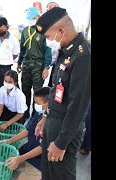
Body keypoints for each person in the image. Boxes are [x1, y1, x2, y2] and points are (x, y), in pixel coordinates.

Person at [34, 7, 91, 180]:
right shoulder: (65, 51)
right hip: (53, 122)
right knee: (48, 173)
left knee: (61, 175)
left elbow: (78, 107)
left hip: (65, 130)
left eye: (48, 37)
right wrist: (45, 116)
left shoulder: (83, 56)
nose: (48, 41)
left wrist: (61, 143)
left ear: (60, 31)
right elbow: (55, 89)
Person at [0, 87, 50, 180]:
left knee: (21, 176)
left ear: (48, 104)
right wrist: (9, 141)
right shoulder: (39, 113)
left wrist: (19, 159)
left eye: (38, 103)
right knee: (4, 163)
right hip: (29, 149)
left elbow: (44, 147)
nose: (35, 105)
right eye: (35, 103)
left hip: (42, 159)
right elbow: (28, 130)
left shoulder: (54, 122)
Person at [17, 7, 52, 120]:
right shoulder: (25, 31)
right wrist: (19, 63)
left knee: (37, 91)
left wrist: (46, 67)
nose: (31, 20)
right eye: (29, 18)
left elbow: (48, 51)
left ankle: (35, 116)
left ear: (38, 17)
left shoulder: (44, 31)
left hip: (39, 64)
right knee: (25, 89)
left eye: (33, 18)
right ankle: (25, 113)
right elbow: (22, 48)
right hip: (26, 62)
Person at [0, 17, 20, 90]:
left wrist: (5, 60)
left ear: (7, 27)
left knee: (5, 89)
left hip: (5, 69)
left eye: (1, 30)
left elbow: (15, 55)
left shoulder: (13, 40)